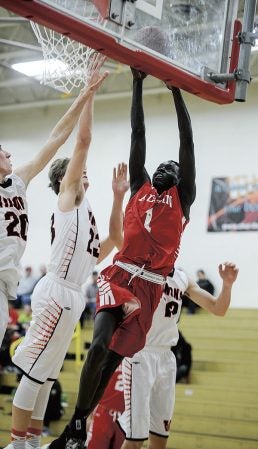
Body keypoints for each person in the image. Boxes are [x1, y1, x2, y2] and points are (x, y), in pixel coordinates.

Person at [48, 67, 196, 449]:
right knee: (97, 347)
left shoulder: (183, 201)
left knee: (110, 364)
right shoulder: (140, 186)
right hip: (118, 276)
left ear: (181, 181)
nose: (166, 166)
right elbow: (139, 134)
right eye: (162, 165)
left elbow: (187, 144)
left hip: (148, 290)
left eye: (173, 168)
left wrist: (177, 92)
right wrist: (137, 81)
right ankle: (77, 424)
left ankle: (73, 431)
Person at [3, 55, 128, 449]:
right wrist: (89, 93)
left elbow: (112, 242)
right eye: (78, 169)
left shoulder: (82, 211)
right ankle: (17, 443)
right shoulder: (69, 197)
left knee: (48, 375)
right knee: (33, 374)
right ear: (65, 179)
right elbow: (80, 141)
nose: (85, 169)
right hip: (54, 291)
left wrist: (117, 198)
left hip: (70, 295)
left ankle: (31, 441)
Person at [0, 59, 110, 350]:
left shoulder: (17, 181)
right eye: (2, 150)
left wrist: (86, 93)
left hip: (4, 286)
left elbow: (57, 137)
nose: (9, 153)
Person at [119, 262, 239, 449]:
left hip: (166, 357)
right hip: (141, 354)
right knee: (135, 439)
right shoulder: (141, 266)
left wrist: (227, 285)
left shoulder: (182, 278)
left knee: (160, 440)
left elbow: (218, 309)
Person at [86, 364, 125, 449]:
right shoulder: (108, 356)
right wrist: (89, 417)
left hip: (126, 415)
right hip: (104, 411)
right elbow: (93, 386)